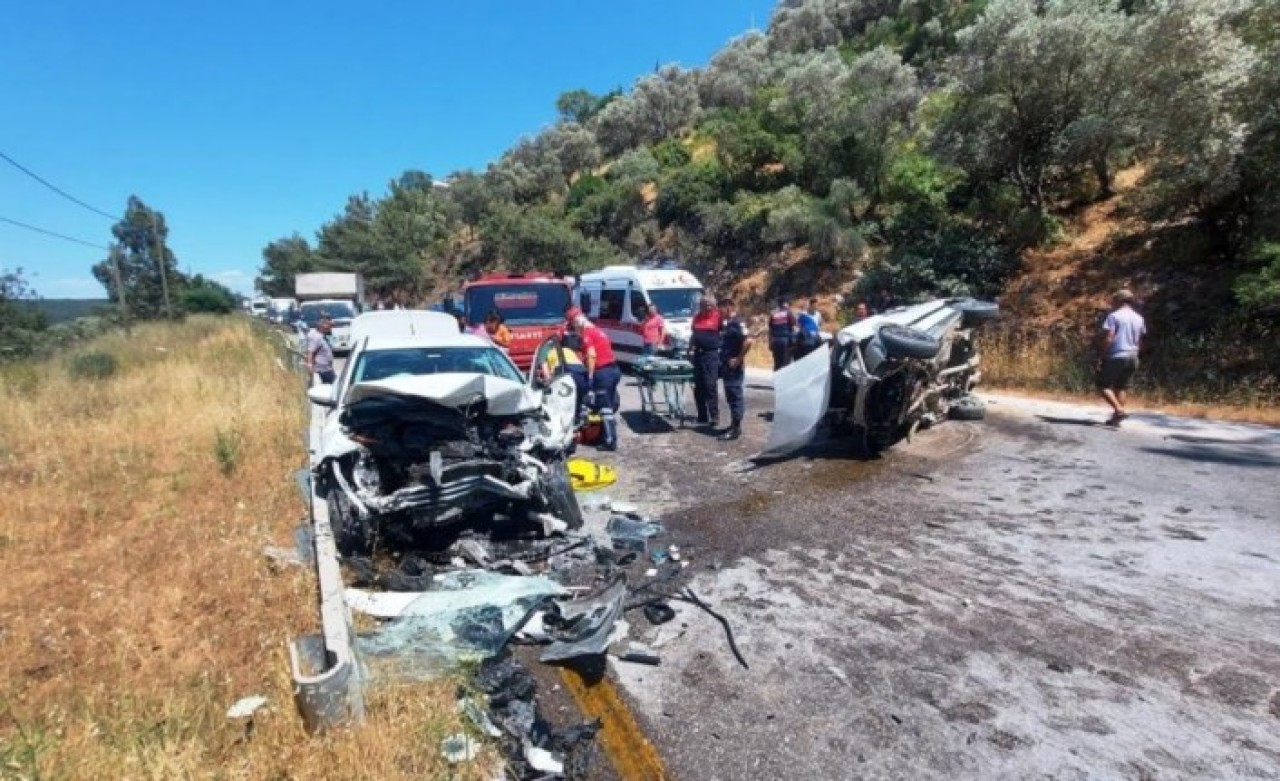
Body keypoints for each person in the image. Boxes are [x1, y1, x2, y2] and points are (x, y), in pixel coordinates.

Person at [1097, 289, 1146, 426]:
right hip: (1133, 356)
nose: (1112, 303)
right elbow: (1140, 340)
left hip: (1116, 355)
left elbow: (1109, 337)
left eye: (1114, 300)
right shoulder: (1139, 318)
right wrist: (1136, 353)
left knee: (1103, 385)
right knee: (1122, 387)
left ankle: (1119, 409)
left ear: (1119, 301)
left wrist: (1102, 355)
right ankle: (1116, 419)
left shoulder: (1114, 316)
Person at [573, 313, 621, 451]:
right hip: (614, 369)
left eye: (574, 326)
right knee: (609, 407)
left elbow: (592, 355)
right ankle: (606, 435)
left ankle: (610, 441)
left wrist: (590, 376)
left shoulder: (587, 334)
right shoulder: (598, 331)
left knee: (604, 408)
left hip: (603, 372)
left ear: (579, 324)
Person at [718, 298, 753, 441]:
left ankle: (736, 429)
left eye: (721, 309)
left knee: (735, 395)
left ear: (728, 307)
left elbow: (748, 341)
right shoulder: (730, 324)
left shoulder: (737, 323)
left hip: (734, 366)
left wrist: (738, 359)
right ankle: (733, 424)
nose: (719, 312)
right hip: (727, 365)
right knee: (731, 395)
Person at [690, 294, 724, 427]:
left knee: (710, 386)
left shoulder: (718, 317)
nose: (707, 307)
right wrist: (690, 349)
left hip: (711, 355)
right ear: (701, 306)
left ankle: (714, 416)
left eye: (710, 304)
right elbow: (693, 335)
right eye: (704, 305)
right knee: (698, 387)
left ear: (714, 305)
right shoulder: (696, 318)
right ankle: (702, 415)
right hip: (698, 355)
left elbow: (724, 333)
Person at [767, 296, 797, 371]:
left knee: (777, 363)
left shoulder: (773, 314)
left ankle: (776, 380)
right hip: (785, 342)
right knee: (785, 364)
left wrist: (770, 343)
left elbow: (770, 330)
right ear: (785, 304)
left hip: (775, 342)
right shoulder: (788, 313)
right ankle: (783, 381)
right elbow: (794, 326)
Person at [306, 316, 336, 385]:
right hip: (322, 369)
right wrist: (310, 365)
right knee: (335, 386)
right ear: (322, 326)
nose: (330, 328)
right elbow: (310, 351)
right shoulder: (316, 337)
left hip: (326, 368)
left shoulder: (321, 335)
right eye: (329, 326)